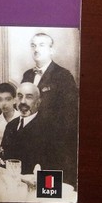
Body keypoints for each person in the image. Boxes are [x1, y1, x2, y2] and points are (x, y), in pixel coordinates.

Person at [21, 32, 78, 184]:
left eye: (41, 45)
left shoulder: (63, 76)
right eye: (33, 45)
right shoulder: (27, 75)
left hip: (53, 147)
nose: (36, 49)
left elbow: (70, 115)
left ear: (51, 50)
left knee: (48, 189)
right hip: (30, 144)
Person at [0, 82, 50, 175]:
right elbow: (3, 158)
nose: (22, 101)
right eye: (20, 96)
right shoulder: (11, 125)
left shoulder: (48, 128)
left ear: (38, 102)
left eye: (29, 97)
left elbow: (52, 170)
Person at [0, 82, 20, 162]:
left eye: (8, 99)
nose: (4, 104)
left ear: (15, 100)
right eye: (0, 99)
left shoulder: (20, 119)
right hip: (0, 160)